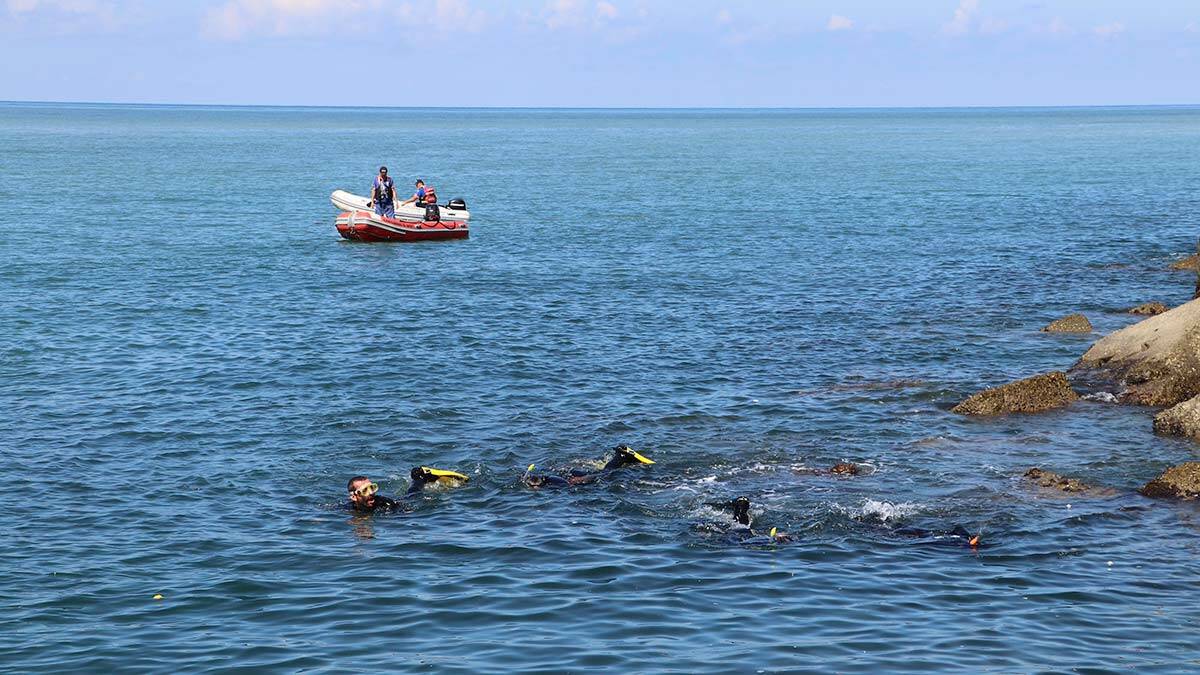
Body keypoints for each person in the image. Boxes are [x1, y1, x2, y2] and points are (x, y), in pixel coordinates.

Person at [523, 445, 655, 489]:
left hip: (581, 479)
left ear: (537, 486)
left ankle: (622, 455)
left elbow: (568, 486)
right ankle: (621, 457)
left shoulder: (551, 486)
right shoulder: (545, 480)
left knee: (607, 473)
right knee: (604, 471)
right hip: (573, 476)